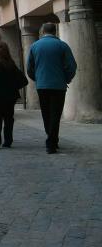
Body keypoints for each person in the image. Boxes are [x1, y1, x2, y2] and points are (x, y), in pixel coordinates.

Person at [27, 22, 77, 154]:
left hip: (42, 85)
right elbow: (71, 66)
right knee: (55, 113)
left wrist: (38, 78)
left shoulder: (35, 46)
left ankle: (51, 138)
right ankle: (52, 141)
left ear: (43, 31)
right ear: (55, 31)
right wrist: (66, 78)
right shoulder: (62, 46)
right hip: (58, 86)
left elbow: (29, 68)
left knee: (46, 113)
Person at [0, 41, 28, 149]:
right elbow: (24, 80)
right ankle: (8, 141)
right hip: (10, 96)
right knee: (9, 119)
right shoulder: (11, 63)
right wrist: (13, 87)